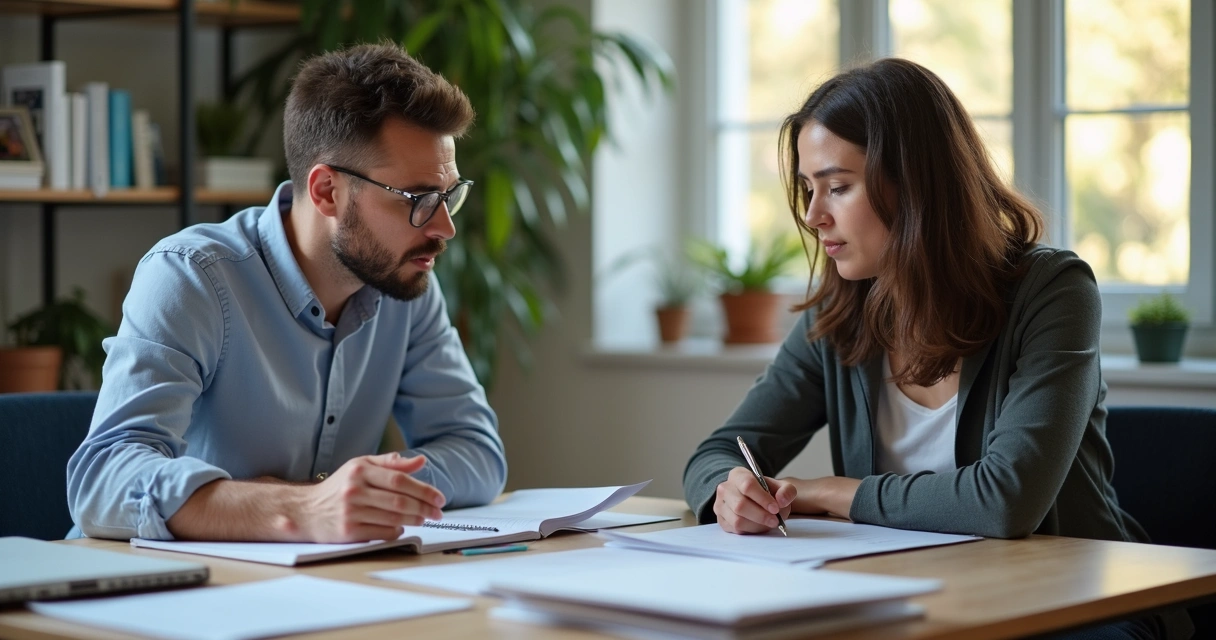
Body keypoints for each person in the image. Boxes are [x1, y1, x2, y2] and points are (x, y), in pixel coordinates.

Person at [683, 58, 1187, 639]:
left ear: (915, 183)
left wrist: (832, 493)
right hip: (918, 599)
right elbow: (720, 451)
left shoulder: (1053, 293)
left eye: (838, 187)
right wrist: (729, 491)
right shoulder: (840, 312)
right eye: (807, 188)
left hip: (1074, 606)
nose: (813, 215)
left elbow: (1004, 500)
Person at [68, 43, 507, 543]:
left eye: (449, 196)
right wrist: (302, 506)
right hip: (148, 593)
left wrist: (360, 496)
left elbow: (476, 453)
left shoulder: (404, 281)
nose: (444, 227)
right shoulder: (190, 277)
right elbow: (102, 481)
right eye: (421, 199)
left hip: (308, 588)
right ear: (326, 192)